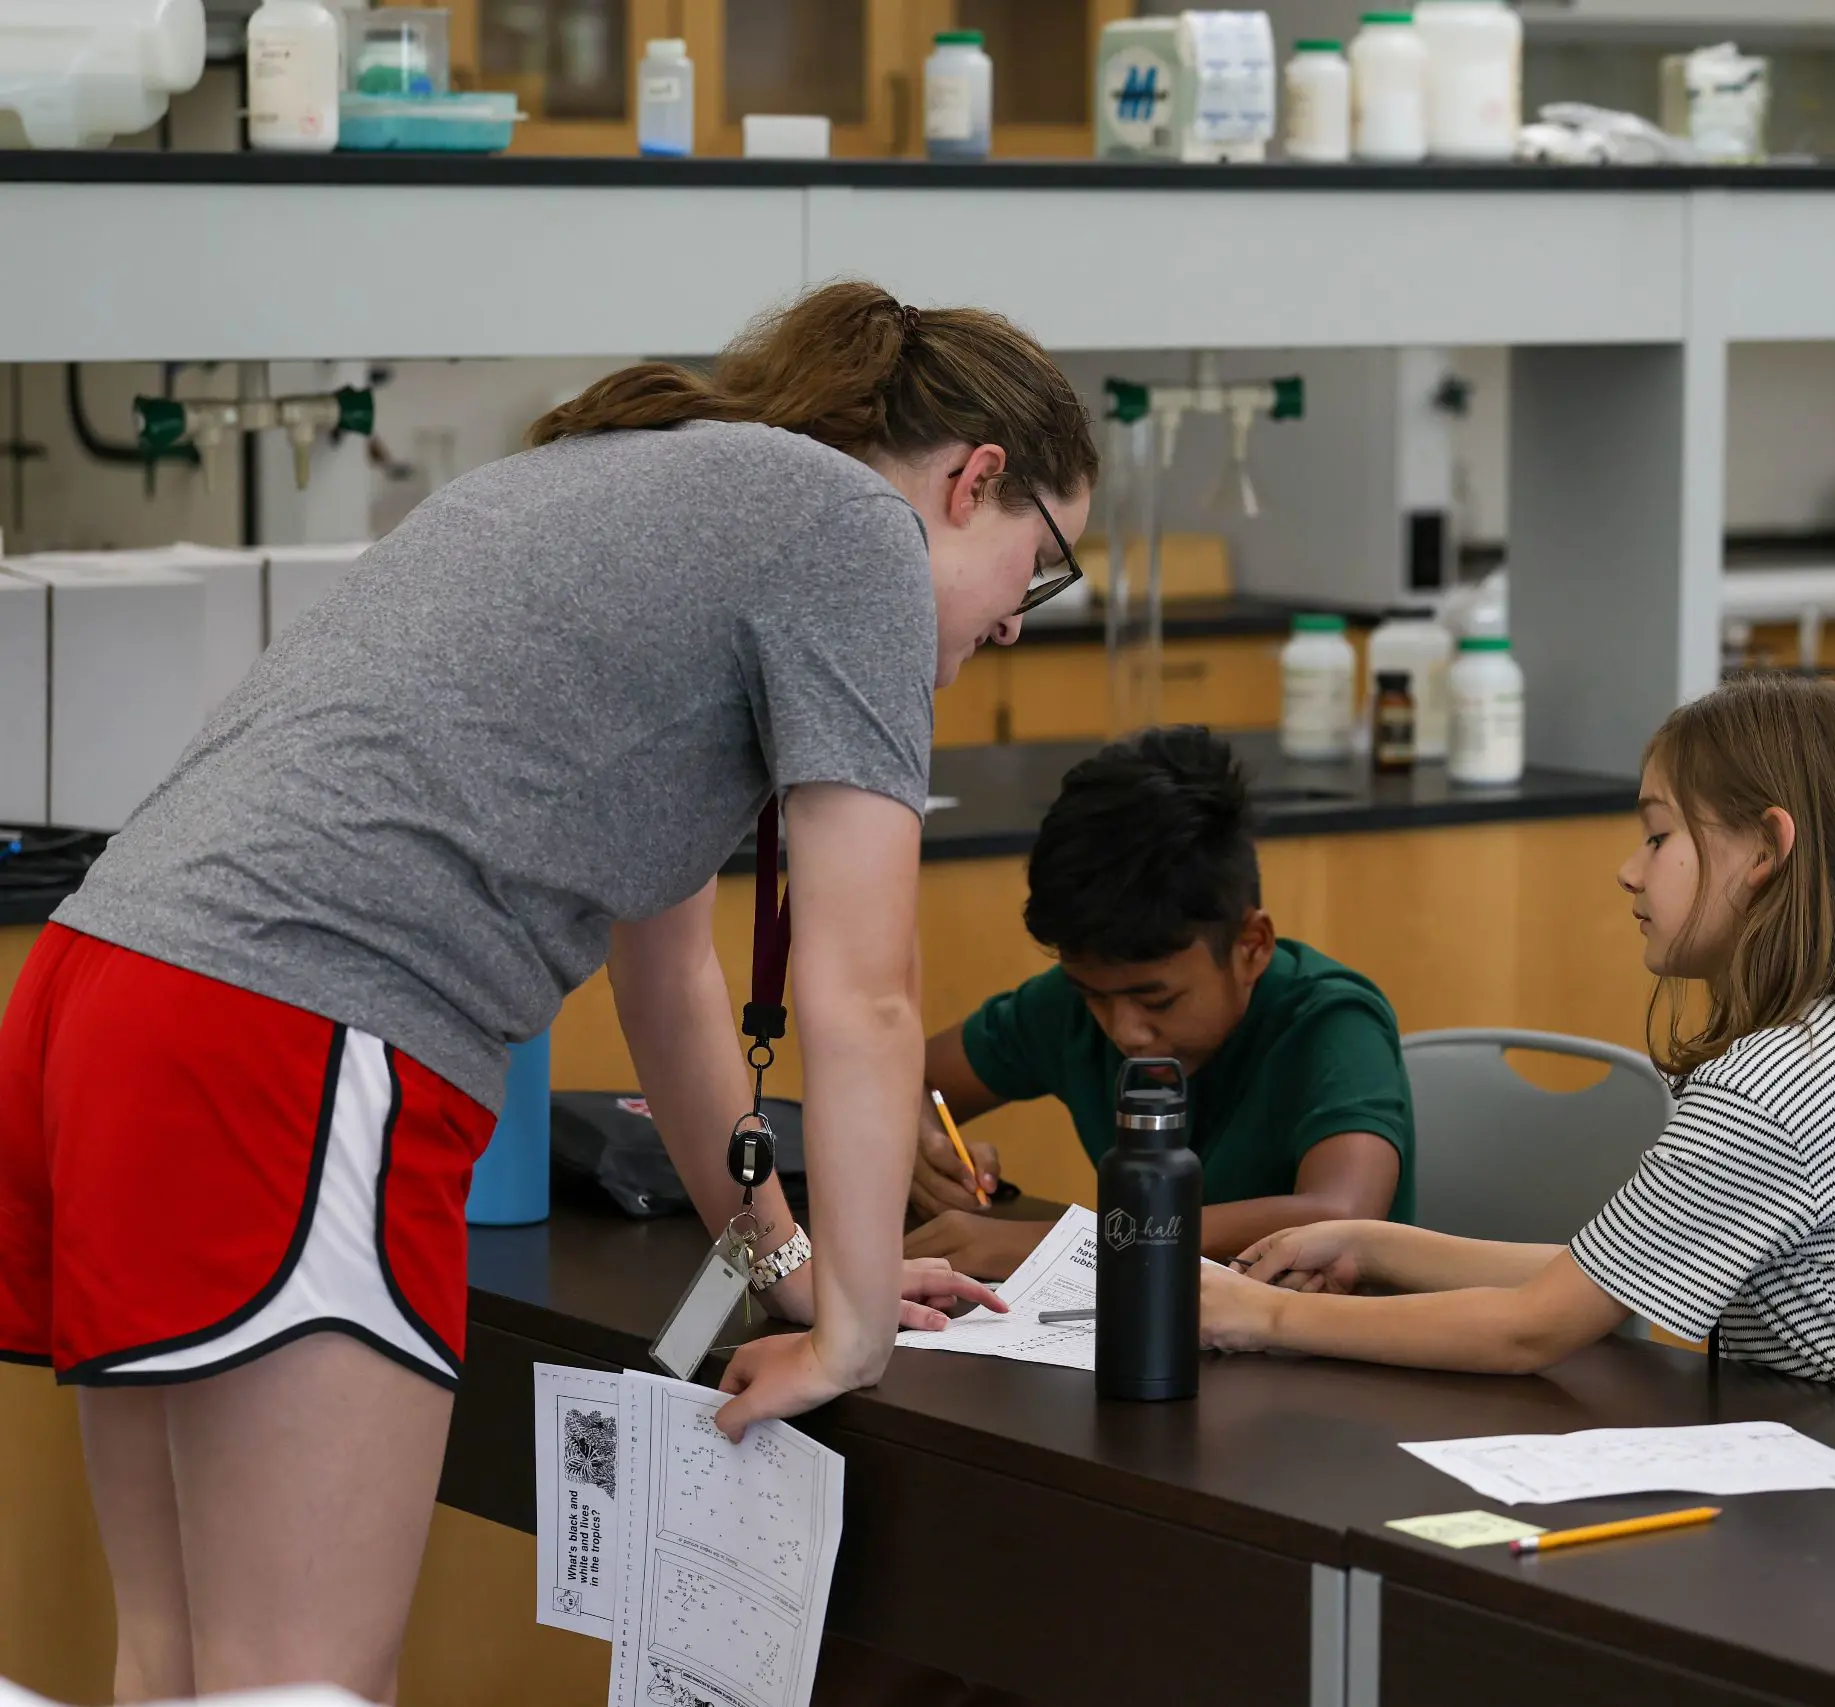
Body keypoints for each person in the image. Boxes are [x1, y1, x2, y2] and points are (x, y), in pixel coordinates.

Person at [0, 279, 1092, 1703]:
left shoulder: (658, 483)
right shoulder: (851, 532)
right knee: (296, 1685)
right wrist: (858, 1329)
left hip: (106, 992)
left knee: (187, 1665)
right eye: (1044, 566)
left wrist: (781, 1264)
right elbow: (866, 990)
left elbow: (672, 980)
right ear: (975, 481)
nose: (1017, 622)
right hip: (291, 1028)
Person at [1200, 675, 1835, 1410]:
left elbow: (1532, 1330)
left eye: (1658, 835)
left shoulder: (1776, 1083)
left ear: (1765, 849)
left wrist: (1263, 1316)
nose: (1629, 871)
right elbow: (1604, 1276)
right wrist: (1370, 1244)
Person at [905, 725, 1415, 1279]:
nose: (1126, 1031)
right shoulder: (1075, 1006)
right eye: (1096, 997)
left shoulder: (1331, 1023)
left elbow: (1341, 1217)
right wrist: (921, 1144)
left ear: (1251, 947)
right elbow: (906, 1081)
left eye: (1158, 1000)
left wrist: (1040, 1245)